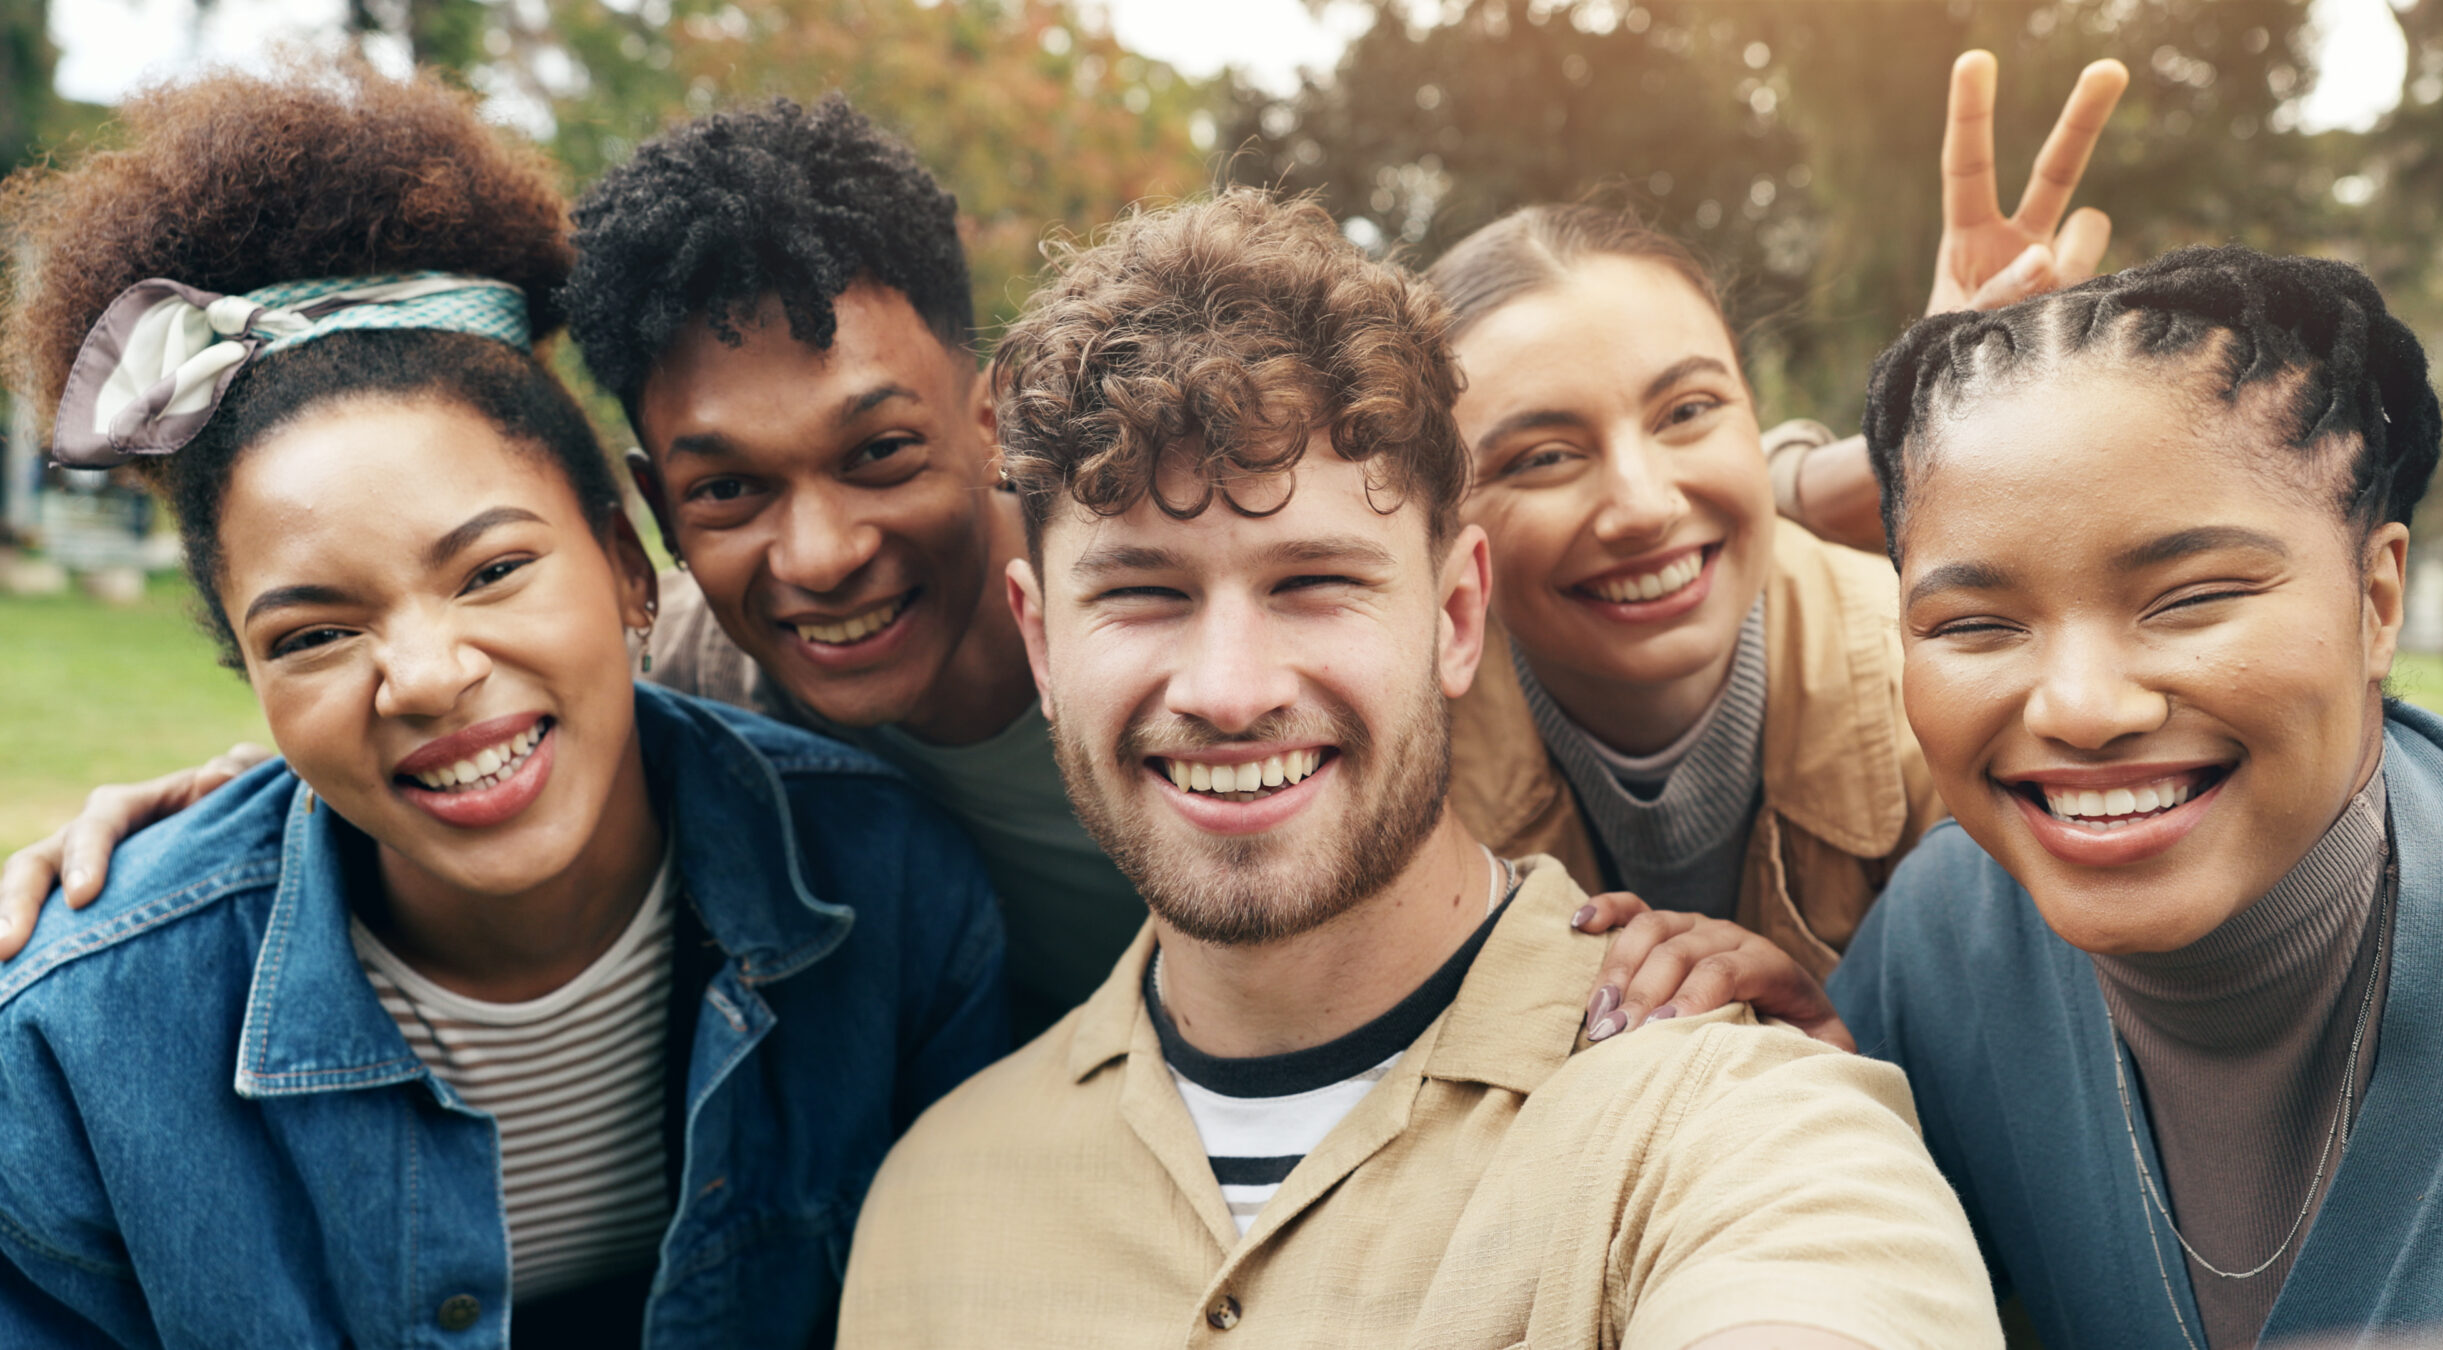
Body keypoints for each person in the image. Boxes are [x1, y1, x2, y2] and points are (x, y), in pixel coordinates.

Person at [0, 94, 1847, 1041]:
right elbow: (461, 681)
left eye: (882, 454)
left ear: (989, 412)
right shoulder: (703, 690)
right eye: (726, 494)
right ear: (649, 512)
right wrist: (265, 793)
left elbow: (1620, 509)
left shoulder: (1242, 604)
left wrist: (1881, 456)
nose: (816, 553)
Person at [835, 187, 1999, 1348]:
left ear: (1455, 615)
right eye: (1143, 593)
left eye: (1314, 583)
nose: (1231, 691)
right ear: (1039, 639)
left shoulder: (1732, 1129)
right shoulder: (923, 1204)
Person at [0, 64, 1005, 1343]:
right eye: (314, 632)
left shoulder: (897, 899)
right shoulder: (71, 1050)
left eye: (492, 570)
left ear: (634, 567)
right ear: (245, 679)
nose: (424, 676)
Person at [1828, 245, 2443, 1346]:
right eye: (1974, 624)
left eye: (2190, 597)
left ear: (2375, 598)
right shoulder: (1939, 948)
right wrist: (1760, 1060)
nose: (2080, 707)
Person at [1427, 54, 2126, 1018]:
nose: (1643, 504)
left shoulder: (1947, 687)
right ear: (1440, 524)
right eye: (1542, 457)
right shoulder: (1397, 755)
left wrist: (1845, 1046)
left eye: (1687, 411)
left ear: (1753, 415)